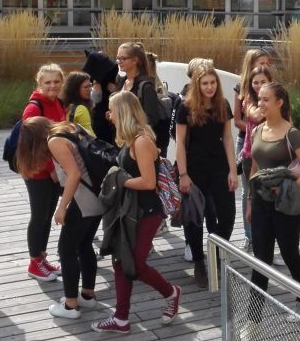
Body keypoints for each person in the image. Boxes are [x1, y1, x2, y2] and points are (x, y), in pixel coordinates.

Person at [92, 91, 181, 333]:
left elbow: (148, 182)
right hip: (130, 210)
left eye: (111, 109)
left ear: (122, 111)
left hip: (147, 211)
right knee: (120, 261)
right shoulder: (129, 139)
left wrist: (118, 179)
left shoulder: (141, 142)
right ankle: (121, 318)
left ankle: (172, 293)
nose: (108, 114)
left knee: (137, 265)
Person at [16, 117, 106, 319]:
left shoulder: (54, 141)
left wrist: (62, 208)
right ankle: (87, 296)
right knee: (84, 245)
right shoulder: (70, 127)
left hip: (83, 199)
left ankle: (70, 306)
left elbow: (73, 174)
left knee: (66, 250)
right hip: (98, 195)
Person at [246, 82, 300, 319]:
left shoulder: (292, 134)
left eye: (266, 99)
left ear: (280, 102)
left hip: (286, 205)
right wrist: (249, 202)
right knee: (261, 260)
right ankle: (254, 318)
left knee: (289, 253)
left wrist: (287, 188)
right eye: (259, 99)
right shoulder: (257, 130)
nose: (261, 104)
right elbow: (254, 169)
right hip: (260, 203)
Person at [175, 65, 237, 288]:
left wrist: (232, 170)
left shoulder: (223, 105)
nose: (209, 87)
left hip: (219, 166)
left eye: (213, 83)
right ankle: (199, 262)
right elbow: (180, 143)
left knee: (228, 215)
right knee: (194, 218)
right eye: (205, 83)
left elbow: (228, 139)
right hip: (194, 168)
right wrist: (183, 174)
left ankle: (216, 253)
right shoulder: (186, 107)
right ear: (197, 85)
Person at [18, 64, 68, 281]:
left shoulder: (57, 102)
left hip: (54, 168)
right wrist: (51, 169)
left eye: (56, 82)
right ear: (39, 84)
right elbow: (32, 145)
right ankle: (33, 262)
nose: (52, 86)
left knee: (47, 215)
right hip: (38, 170)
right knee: (39, 215)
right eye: (47, 82)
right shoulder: (34, 108)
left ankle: (42, 257)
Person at [236, 65, 273, 254]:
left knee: (270, 199)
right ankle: (251, 237)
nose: (259, 85)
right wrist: (270, 104)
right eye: (255, 82)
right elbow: (256, 115)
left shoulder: (276, 99)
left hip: (272, 156)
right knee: (250, 196)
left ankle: (268, 241)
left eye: (263, 82)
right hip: (251, 156)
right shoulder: (249, 100)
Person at [115, 42, 167, 154]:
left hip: (139, 144)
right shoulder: (121, 82)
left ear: (135, 60)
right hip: (123, 141)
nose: (119, 62)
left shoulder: (145, 87)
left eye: (123, 59)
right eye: (118, 58)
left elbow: (151, 118)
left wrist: (131, 124)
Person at [61, 71, 96, 135]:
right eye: (86, 87)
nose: (90, 89)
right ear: (75, 89)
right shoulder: (81, 109)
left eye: (90, 86)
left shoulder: (62, 105)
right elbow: (91, 137)